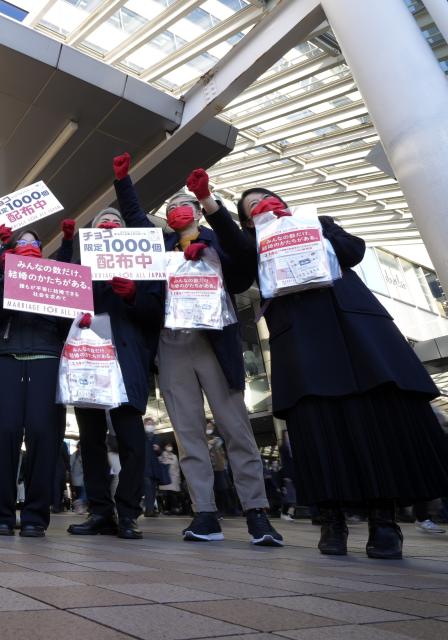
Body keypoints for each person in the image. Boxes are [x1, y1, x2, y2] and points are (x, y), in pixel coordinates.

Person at [206, 170, 448, 558]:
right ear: (247, 221)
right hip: (301, 340)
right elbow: (237, 275)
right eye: (251, 207)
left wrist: (307, 228)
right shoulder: (251, 243)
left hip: (354, 331)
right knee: (318, 425)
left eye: (267, 199)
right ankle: (332, 519)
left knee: (373, 419)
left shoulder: (316, 221)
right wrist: (212, 207)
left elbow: (353, 251)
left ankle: (383, 521)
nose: (262, 205)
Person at [113, 162, 283, 546]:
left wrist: (211, 211)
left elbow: (244, 257)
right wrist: (123, 184)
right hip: (173, 345)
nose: (177, 208)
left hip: (214, 343)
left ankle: (257, 512)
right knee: (188, 433)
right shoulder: (161, 250)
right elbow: (138, 222)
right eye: (171, 205)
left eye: (184, 202)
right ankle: (204, 512)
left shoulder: (218, 238)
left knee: (236, 428)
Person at [68, 152, 165, 541]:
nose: (108, 225)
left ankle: (128, 512)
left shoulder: (143, 269)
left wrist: (132, 296)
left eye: (114, 221)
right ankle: (100, 512)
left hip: (127, 360)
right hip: (88, 363)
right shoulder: (79, 275)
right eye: (101, 223)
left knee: (131, 440)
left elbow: (155, 311)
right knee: (90, 441)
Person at [0, 227, 70, 537]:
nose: (29, 245)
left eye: (35, 241)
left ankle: (36, 514)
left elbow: (66, 319)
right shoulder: (0, 275)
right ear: (10, 248)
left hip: (46, 356)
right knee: (3, 434)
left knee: (44, 434)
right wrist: (3, 275)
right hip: (5, 356)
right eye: (22, 241)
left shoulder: (53, 276)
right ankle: (2, 514)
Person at [159, 442, 182, 515]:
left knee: (173, 494)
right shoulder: (162, 455)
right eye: (168, 446)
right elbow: (162, 464)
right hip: (166, 478)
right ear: (165, 447)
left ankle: (174, 508)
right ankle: (167, 509)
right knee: (167, 495)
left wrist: (179, 479)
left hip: (174, 478)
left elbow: (177, 467)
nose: (169, 447)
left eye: (170, 446)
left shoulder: (174, 456)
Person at [279, 432, 296, 521]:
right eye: (286, 435)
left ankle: (288, 513)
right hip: (288, 475)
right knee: (289, 496)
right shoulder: (284, 447)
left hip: (294, 475)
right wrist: (286, 475)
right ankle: (284, 513)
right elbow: (284, 463)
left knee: (293, 496)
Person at [70, 441, 86, 515]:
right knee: (83, 493)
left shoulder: (75, 455)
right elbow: (70, 466)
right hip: (78, 478)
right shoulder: (75, 455)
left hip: (79, 478)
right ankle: (80, 504)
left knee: (82, 493)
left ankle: (79, 508)